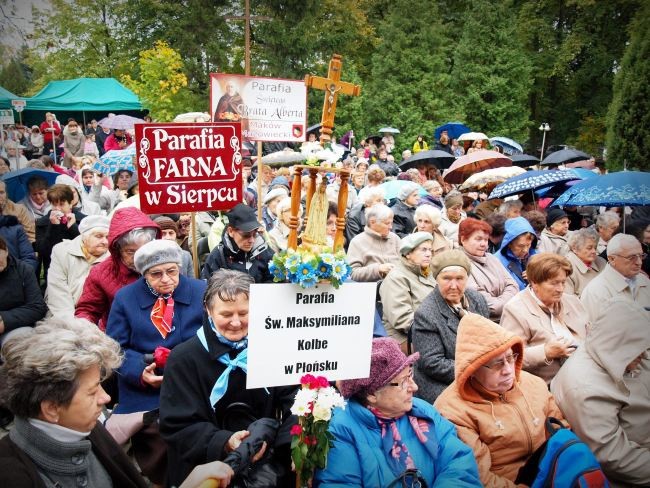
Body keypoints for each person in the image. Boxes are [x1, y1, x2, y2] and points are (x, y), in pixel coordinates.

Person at [0, 318, 235, 488]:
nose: (106, 399)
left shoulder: (90, 433)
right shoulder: (11, 475)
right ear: (51, 408)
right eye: (92, 392)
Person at [159, 270, 298, 487]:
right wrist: (224, 441)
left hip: (265, 469)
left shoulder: (271, 348)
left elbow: (295, 401)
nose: (236, 322)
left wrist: (291, 445)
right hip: (204, 469)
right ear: (208, 310)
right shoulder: (183, 358)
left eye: (244, 313)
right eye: (226, 314)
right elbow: (177, 425)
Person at [315, 337, 482, 487]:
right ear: (372, 394)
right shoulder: (341, 430)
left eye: (411, 375)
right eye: (403, 382)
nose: (414, 387)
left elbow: (458, 462)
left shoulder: (421, 409)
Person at [105, 239, 206, 486]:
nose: (166, 279)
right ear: (143, 274)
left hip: (194, 376)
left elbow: (212, 334)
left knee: (198, 425)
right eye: (156, 274)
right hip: (146, 382)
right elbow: (114, 347)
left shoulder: (200, 291)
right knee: (158, 432)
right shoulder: (126, 298)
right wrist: (140, 371)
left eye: (172, 271)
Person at [435, 313, 567, 488]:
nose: (508, 370)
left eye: (511, 357)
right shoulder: (453, 411)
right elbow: (480, 477)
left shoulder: (532, 383)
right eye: (497, 363)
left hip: (554, 470)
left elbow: (561, 429)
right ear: (472, 369)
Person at [550, 299, 650, 487]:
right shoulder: (585, 389)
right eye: (638, 351)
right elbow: (615, 458)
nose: (644, 355)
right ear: (617, 344)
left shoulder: (620, 351)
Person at [411, 250, 489, 403]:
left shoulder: (477, 299)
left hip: (479, 373)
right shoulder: (426, 314)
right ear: (437, 279)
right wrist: (476, 371)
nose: (454, 285)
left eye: (459, 278)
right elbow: (432, 363)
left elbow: (489, 338)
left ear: (467, 279)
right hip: (443, 383)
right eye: (446, 278)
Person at [500, 253, 589, 384]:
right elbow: (509, 357)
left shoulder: (572, 302)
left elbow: (591, 333)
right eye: (554, 283)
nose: (560, 289)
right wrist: (546, 352)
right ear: (534, 283)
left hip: (585, 374)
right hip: (548, 385)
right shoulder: (515, 310)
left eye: (563, 282)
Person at [75, 207, 159, 330]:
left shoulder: (164, 264)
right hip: (119, 335)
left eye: (143, 249)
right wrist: (84, 329)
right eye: (130, 251)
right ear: (117, 249)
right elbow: (88, 310)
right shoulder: (101, 272)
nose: (138, 257)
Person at [380, 232, 437, 352]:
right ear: (408, 254)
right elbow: (402, 319)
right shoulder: (396, 277)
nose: (428, 254)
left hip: (431, 331)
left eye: (430, 250)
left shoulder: (429, 274)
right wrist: (438, 328)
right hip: (405, 338)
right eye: (423, 250)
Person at [45, 215, 110, 319]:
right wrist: (72, 323)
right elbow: (58, 291)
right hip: (61, 313)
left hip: (96, 317)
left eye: (108, 237)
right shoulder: (62, 251)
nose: (105, 242)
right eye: (99, 236)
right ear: (84, 237)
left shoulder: (112, 258)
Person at [580, 233, 650, 322]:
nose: (639, 262)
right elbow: (597, 332)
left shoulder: (644, 281)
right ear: (612, 259)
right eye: (631, 257)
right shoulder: (596, 291)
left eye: (641, 256)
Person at [460, 218, 519, 321]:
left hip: (508, 317)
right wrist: (510, 300)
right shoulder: (459, 264)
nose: (484, 244)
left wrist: (500, 301)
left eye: (486, 240)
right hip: (485, 324)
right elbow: (489, 306)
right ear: (463, 240)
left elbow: (513, 285)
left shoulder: (492, 258)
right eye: (478, 239)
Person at [201, 203, 274, 283]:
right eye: (246, 235)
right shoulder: (218, 256)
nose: (252, 240)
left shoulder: (263, 250)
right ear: (231, 231)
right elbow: (208, 288)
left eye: (254, 234)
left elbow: (275, 281)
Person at [0, 236, 47, 345]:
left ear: (6, 251)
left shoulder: (23, 270)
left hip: (13, 327)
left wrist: (4, 319)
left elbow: (37, 307)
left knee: (24, 343)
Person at [35, 184, 86, 280]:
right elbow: (43, 251)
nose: (58, 208)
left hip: (79, 271)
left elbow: (86, 246)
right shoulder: (42, 222)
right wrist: (53, 226)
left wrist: (73, 227)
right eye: (54, 204)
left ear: (70, 203)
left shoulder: (83, 220)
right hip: (54, 271)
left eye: (62, 204)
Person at [347, 203, 401, 282]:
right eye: (387, 223)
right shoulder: (357, 242)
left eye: (391, 223)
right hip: (372, 290)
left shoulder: (395, 238)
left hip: (398, 285)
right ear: (372, 222)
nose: (391, 227)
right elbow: (353, 274)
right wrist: (378, 269)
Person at [497, 216, 538, 290]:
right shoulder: (497, 261)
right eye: (520, 246)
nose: (525, 250)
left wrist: (536, 278)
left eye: (528, 245)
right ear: (509, 243)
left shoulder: (537, 257)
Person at [565, 228, 607, 297]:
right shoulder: (566, 267)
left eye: (595, 247)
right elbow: (569, 300)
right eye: (589, 248)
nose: (594, 251)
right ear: (575, 248)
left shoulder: (601, 262)